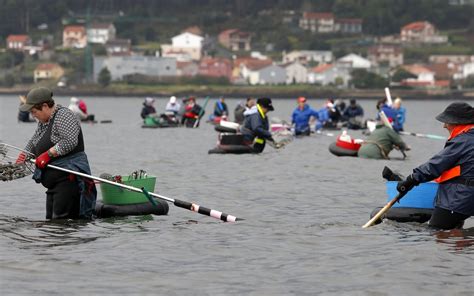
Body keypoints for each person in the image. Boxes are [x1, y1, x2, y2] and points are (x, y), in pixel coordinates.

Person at [15, 87, 96, 220]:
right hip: (54, 185)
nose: (33, 115)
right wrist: (24, 154)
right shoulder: (43, 121)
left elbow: (70, 141)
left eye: (34, 111)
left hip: (68, 182)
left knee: (61, 223)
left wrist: (48, 154)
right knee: (50, 223)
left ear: (45, 106)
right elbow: (35, 140)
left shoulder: (64, 116)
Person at [396, 102, 474, 229]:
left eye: (447, 121)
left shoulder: (462, 140)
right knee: (455, 231)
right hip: (468, 198)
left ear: (457, 122)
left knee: (436, 232)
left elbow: (436, 165)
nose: (444, 126)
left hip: (460, 198)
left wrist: (412, 179)